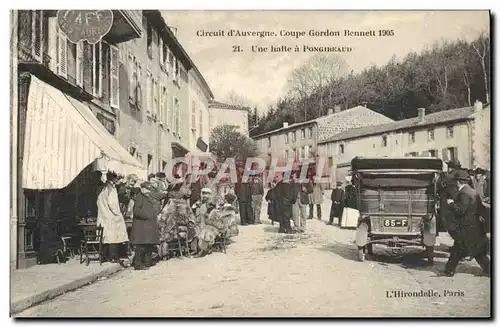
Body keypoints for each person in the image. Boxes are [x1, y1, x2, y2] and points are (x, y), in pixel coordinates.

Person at [444, 170, 490, 277]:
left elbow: (460, 210)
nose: (455, 183)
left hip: (466, 227)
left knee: (457, 250)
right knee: (479, 252)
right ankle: (489, 269)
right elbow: (480, 209)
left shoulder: (463, 193)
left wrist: (451, 204)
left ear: (458, 182)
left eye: (455, 181)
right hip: (475, 227)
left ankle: (449, 270)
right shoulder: (473, 191)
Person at [96, 171, 129, 266]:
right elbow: (113, 204)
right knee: (113, 237)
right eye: (118, 178)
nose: (120, 180)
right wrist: (118, 214)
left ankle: (104, 256)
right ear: (113, 178)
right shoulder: (111, 189)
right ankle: (113, 257)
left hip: (103, 215)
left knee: (105, 237)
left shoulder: (102, 188)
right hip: (111, 216)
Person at [130, 181, 162, 270]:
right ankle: (138, 264)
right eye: (147, 189)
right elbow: (136, 211)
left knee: (149, 245)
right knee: (141, 246)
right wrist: (146, 216)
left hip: (147, 226)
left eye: (149, 189)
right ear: (142, 189)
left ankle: (147, 262)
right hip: (141, 226)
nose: (148, 191)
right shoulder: (139, 197)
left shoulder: (147, 197)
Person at [192, 188, 218, 257]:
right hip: (201, 222)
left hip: (210, 224)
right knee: (195, 229)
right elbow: (195, 213)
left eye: (206, 194)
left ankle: (202, 250)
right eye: (203, 194)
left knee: (204, 232)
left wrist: (203, 213)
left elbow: (210, 216)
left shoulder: (211, 203)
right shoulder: (199, 202)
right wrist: (195, 208)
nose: (205, 196)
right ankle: (196, 249)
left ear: (209, 195)